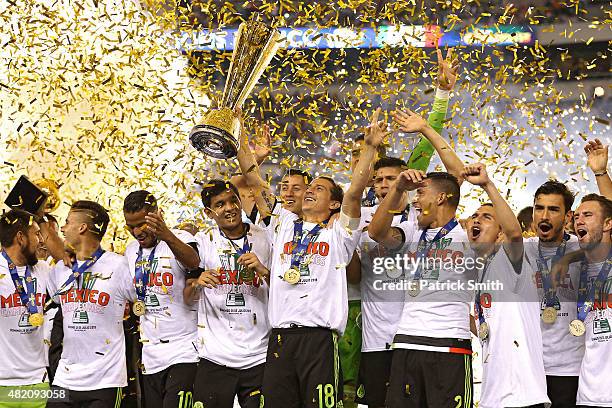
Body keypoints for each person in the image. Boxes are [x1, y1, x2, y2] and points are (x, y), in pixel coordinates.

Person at [239, 108, 386, 407]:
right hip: (279, 339)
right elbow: (254, 181)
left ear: (333, 202)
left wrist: (370, 149)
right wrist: (238, 131)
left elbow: (355, 193)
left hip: (319, 341)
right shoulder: (282, 225)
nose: (308, 191)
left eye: (318, 189)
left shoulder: (339, 234)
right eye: (309, 187)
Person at [352, 47, 458, 408]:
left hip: (417, 334)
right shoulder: (363, 218)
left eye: (392, 179)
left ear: (411, 180)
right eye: (378, 179)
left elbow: (427, 144)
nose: (384, 185)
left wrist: (441, 94)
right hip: (374, 338)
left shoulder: (419, 218)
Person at [368, 108, 474, 407]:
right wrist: (398, 187)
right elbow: (377, 233)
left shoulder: (468, 234)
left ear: (441, 198)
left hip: (449, 344)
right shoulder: (411, 231)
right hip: (406, 341)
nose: (415, 198)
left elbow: (457, 175)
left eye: (422, 192)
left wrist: (426, 128)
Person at [463, 163, 549, 408]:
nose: (476, 220)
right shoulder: (479, 269)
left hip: (521, 395)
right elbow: (485, 323)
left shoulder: (510, 260)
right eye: (474, 216)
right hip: (493, 394)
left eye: (486, 217)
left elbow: (514, 234)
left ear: (499, 234)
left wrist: (487, 185)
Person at [184, 180, 271, 408]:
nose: (230, 208)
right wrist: (196, 282)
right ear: (209, 212)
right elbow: (186, 296)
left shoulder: (265, 237)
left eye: (233, 200)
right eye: (220, 204)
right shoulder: (203, 243)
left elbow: (284, 288)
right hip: (215, 357)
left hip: (259, 355)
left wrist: (263, 270)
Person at [48, 200, 135, 408]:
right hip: (65, 379)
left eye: (67, 222)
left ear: (82, 228)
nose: (63, 228)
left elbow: (140, 302)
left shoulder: (119, 265)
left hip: (105, 380)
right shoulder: (60, 270)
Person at [123, 191, 200, 408]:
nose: (136, 232)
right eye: (131, 226)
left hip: (184, 350)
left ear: (156, 215)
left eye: (142, 224)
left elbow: (193, 262)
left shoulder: (180, 239)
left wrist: (166, 234)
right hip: (151, 354)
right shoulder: (130, 252)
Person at [524, 180, 583, 407]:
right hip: (530, 368)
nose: (544, 216)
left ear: (568, 217)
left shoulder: (582, 248)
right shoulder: (525, 249)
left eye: (553, 209)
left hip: (570, 368)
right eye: (539, 208)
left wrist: (569, 258)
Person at [0, 209, 51, 408]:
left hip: (37, 381)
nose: (41, 240)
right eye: (36, 234)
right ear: (21, 238)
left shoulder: (44, 270)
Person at [571, 194, 612, 407]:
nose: (579, 220)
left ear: (608, 223)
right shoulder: (574, 270)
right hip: (588, 395)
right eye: (577, 216)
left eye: (588, 215)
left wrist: (600, 173)